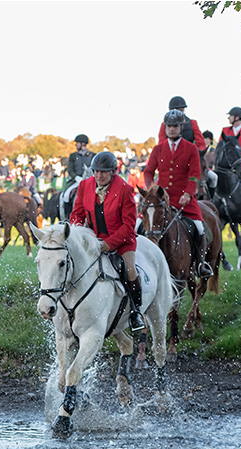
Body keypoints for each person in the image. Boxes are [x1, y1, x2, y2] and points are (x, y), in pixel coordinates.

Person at [69, 150, 145, 331]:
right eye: (96, 171)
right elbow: (77, 215)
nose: (99, 175)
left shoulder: (125, 190)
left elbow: (128, 226)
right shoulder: (84, 186)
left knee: (129, 270)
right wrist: (78, 236)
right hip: (94, 240)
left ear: (113, 171)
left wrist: (108, 244)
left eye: (103, 172)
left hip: (122, 241)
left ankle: (136, 312)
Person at [144, 109, 213, 277]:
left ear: (181, 127)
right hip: (161, 199)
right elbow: (148, 172)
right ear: (165, 128)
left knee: (199, 227)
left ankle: (200, 263)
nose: (172, 129)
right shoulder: (157, 149)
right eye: (169, 126)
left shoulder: (191, 149)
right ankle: (142, 260)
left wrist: (189, 194)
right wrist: (151, 188)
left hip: (185, 199)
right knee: (141, 225)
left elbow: (195, 174)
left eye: (175, 126)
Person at [60, 134, 93, 221]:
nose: (75, 145)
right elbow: (70, 169)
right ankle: (67, 218)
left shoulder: (93, 155)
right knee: (66, 195)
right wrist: (77, 178)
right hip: (76, 181)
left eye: (77, 143)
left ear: (83, 144)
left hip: (91, 180)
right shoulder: (73, 156)